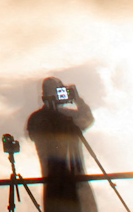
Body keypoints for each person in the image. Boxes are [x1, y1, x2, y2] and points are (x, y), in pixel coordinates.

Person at [26, 76, 95, 212]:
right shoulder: (39, 119)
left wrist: (77, 99)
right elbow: (40, 134)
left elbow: (88, 119)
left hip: (74, 181)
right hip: (56, 184)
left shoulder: (67, 117)